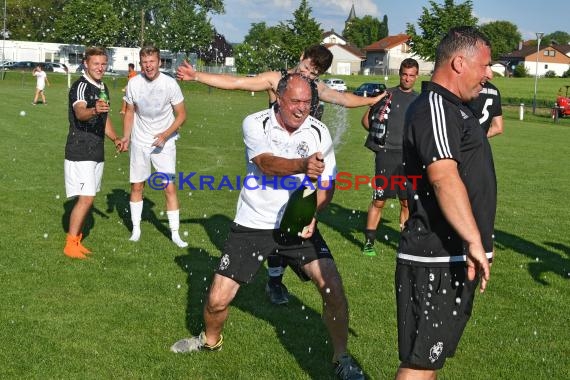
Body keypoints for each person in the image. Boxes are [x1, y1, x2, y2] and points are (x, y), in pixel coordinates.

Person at [170, 74, 365, 380]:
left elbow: (328, 185)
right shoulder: (255, 122)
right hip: (253, 224)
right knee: (217, 299)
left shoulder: (319, 131)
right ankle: (209, 341)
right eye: (295, 102)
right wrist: (301, 165)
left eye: (308, 103)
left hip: (297, 225)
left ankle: (342, 358)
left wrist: (314, 212)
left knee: (332, 288)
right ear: (279, 98)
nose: (302, 109)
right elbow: (264, 163)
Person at [178, 44, 386, 305]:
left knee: (295, 222)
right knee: (274, 223)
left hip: (305, 168)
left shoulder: (316, 88)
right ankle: (272, 278)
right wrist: (197, 76)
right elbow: (238, 82)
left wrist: (372, 100)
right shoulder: (275, 79)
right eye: (309, 67)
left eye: (316, 72)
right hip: (275, 162)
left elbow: (344, 99)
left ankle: (283, 275)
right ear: (301, 57)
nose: (310, 75)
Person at [395, 26, 495, 379]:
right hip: (433, 258)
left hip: (452, 258)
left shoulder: (458, 109)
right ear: (458, 63)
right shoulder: (435, 106)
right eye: (484, 65)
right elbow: (443, 177)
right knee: (419, 366)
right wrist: (473, 240)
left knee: (429, 362)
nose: (489, 74)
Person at [121, 45, 188, 248]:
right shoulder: (133, 83)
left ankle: (175, 234)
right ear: (140, 64)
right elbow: (130, 112)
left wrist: (165, 135)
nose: (148, 66)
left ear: (159, 62)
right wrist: (126, 137)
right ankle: (136, 229)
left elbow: (182, 115)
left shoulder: (170, 84)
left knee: (168, 187)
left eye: (152, 62)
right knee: (137, 185)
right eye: (145, 62)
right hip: (140, 140)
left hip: (165, 142)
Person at [63, 47, 124, 259]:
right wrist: (94, 109)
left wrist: (115, 138)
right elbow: (80, 113)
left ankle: (76, 240)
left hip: (96, 148)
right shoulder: (80, 86)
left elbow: (104, 119)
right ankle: (70, 244)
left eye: (103, 64)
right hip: (80, 148)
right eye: (96, 64)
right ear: (86, 64)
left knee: (89, 197)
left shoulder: (103, 86)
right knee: (87, 198)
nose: (100, 68)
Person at [361, 58, 419, 257]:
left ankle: (403, 243)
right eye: (404, 74)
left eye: (412, 75)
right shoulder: (388, 95)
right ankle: (369, 242)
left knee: (406, 202)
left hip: (409, 159)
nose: (407, 78)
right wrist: (378, 136)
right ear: (400, 73)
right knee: (379, 200)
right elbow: (366, 121)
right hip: (386, 155)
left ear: (416, 76)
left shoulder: (420, 100)